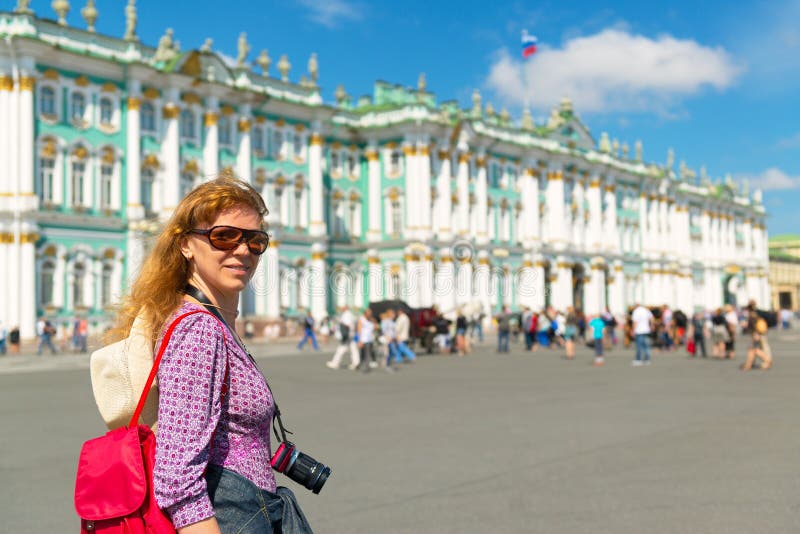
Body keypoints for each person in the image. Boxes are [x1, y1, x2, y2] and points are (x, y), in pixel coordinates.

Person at [106, 175, 312, 532]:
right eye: (224, 236)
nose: (242, 250)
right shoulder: (197, 329)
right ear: (186, 244)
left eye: (255, 240)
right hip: (232, 517)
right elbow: (177, 479)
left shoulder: (211, 322)